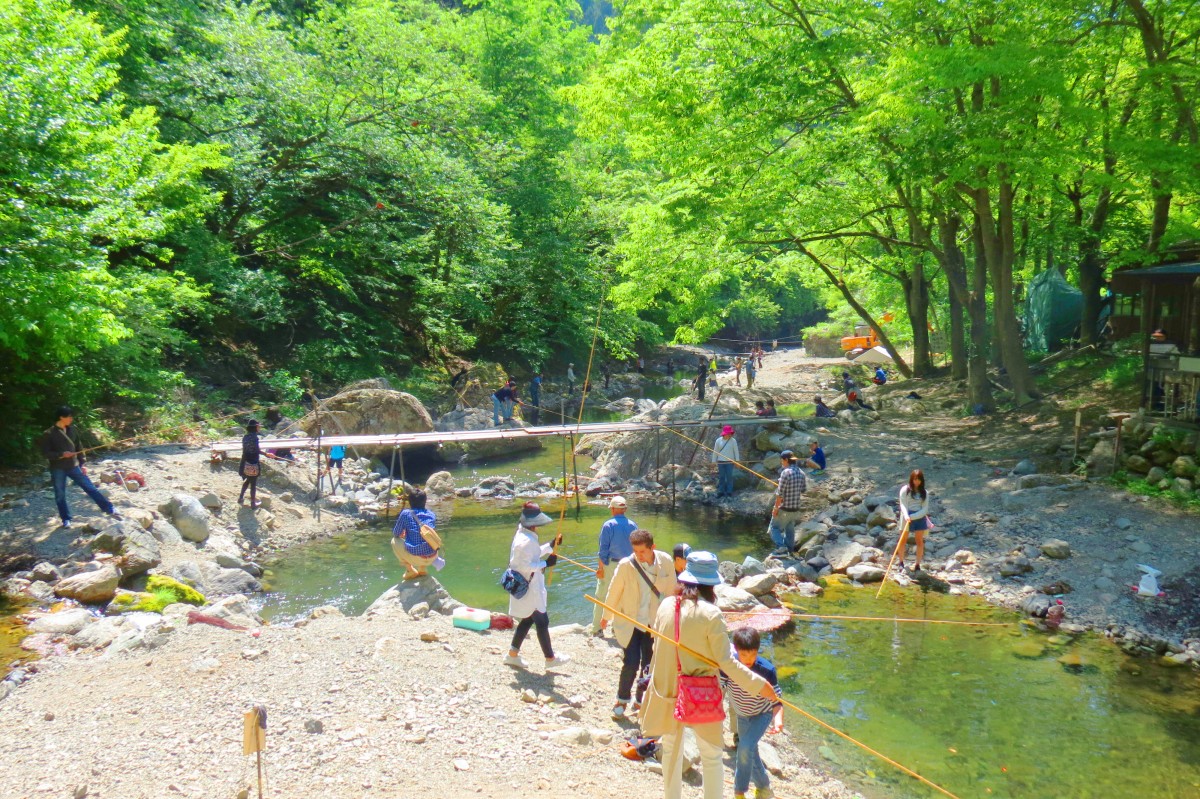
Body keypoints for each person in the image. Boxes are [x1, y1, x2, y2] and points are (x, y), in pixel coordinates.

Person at [640, 552, 777, 799]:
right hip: (701, 693)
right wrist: (760, 685)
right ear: (711, 584)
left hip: (666, 688)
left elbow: (656, 647)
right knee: (712, 756)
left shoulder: (666, 604)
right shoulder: (711, 613)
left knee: (670, 751)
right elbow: (726, 662)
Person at [601, 529, 678, 718]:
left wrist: (675, 620)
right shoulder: (626, 565)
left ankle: (641, 700)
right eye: (635, 551)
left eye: (642, 551)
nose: (638, 555)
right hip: (631, 620)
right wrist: (606, 616)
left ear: (653, 547)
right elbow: (614, 591)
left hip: (654, 622)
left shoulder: (666, 561)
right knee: (631, 662)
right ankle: (621, 700)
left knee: (649, 664)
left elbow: (672, 593)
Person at [721, 628, 784, 799]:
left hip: (762, 714)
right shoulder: (729, 666)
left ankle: (739, 791)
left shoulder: (766, 669)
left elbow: (777, 701)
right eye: (744, 655)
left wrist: (778, 720)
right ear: (736, 650)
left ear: (758, 650)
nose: (749, 659)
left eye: (753, 654)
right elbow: (720, 688)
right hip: (742, 715)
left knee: (744, 747)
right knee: (750, 750)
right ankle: (764, 788)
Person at [505, 503, 569, 670]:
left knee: (528, 619)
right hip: (529, 586)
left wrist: (550, 545)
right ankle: (550, 658)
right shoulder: (525, 540)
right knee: (542, 620)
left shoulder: (524, 534)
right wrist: (546, 563)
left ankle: (512, 655)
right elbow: (524, 565)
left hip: (529, 585)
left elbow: (532, 555)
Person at [40, 406, 119, 528]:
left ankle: (109, 508)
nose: (71, 419)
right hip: (58, 468)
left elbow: (79, 447)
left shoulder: (73, 430)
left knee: (90, 488)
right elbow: (46, 453)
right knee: (60, 494)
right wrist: (61, 454)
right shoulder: (48, 433)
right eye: (69, 416)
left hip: (73, 466)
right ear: (61, 417)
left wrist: (83, 464)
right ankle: (66, 519)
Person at [592, 496, 638, 635]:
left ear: (612, 509)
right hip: (630, 565)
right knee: (623, 597)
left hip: (611, 565)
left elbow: (603, 550)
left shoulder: (608, 525)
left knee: (602, 596)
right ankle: (617, 628)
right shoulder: (633, 525)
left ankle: (597, 629)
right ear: (625, 509)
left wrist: (600, 568)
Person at [392, 489, 440, 580]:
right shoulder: (431, 514)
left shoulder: (406, 514)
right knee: (425, 540)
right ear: (425, 501)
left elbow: (396, 533)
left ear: (410, 501)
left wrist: (403, 533)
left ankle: (410, 570)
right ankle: (422, 569)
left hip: (416, 558)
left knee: (394, 541)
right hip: (433, 556)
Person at [768, 450, 806, 556]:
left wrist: (775, 508)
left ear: (786, 460)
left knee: (773, 528)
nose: (781, 462)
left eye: (782, 460)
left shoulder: (785, 473)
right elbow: (802, 489)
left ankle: (781, 548)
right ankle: (790, 551)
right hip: (795, 509)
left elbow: (779, 494)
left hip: (784, 508)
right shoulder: (801, 473)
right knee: (789, 530)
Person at [898, 469, 931, 571]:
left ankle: (917, 564)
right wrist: (906, 515)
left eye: (919, 479)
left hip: (919, 517)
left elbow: (925, 509)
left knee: (919, 541)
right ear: (911, 479)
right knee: (902, 540)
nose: (917, 482)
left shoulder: (925, 493)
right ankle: (901, 562)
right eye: (915, 479)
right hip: (906, 516)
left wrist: (913, 516)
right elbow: (903, 504)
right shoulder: (905, 490)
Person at [710, 425, 740, 498]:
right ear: (724, 433)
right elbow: (715, 452)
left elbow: (736, 451)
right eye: (728, 433)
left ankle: (729, 491)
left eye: (730, 433)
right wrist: (713, 461)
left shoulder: (733, 441)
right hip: (720, 462)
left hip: (730, 462)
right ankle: (721, 491)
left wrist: (737, 461)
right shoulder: (718, 441)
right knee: (722, 476)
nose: (729, 434)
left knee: (729, 476)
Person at [238, 420, 262, 508]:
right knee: (253, 483)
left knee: (248, 480)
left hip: (245, 462)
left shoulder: (245, 437)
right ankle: (253, 503)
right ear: (255, 427)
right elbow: (257, 450)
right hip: (253, 463)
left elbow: (245, 451)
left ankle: (241, 497)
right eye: (258, 426)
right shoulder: (255, 438)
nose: (259, 428)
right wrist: (267, 454)